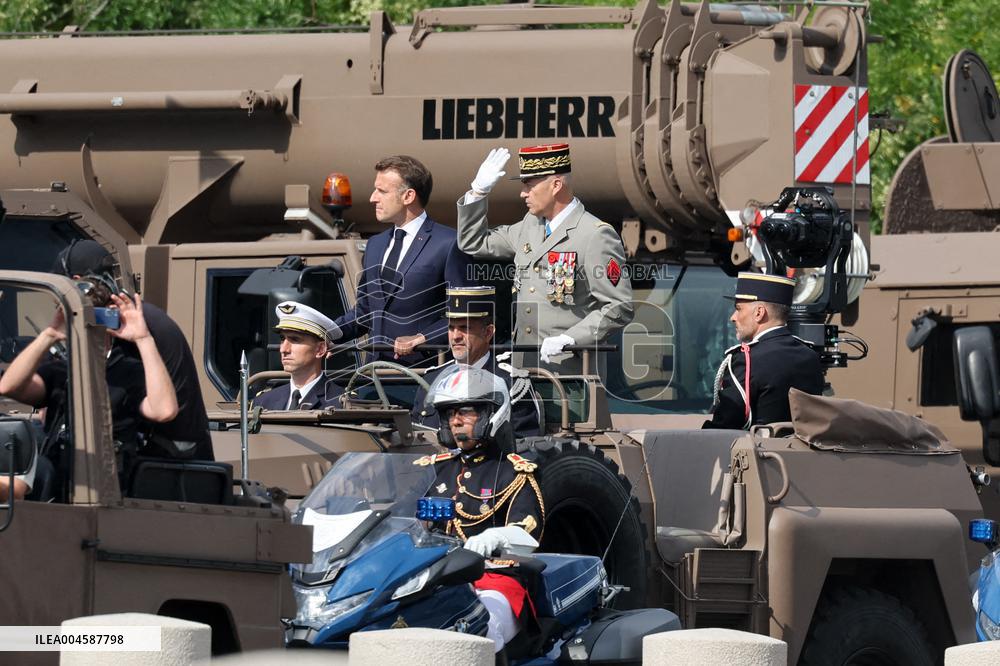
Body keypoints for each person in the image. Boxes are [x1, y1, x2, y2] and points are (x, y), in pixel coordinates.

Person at [455, 144, 633, 373]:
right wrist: (477, 193)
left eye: (529, 185)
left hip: (569, 370)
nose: (523, 193)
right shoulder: (530, 225)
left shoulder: (594, 234)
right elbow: (474, 243)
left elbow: (619, 305)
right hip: (524, 368)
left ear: (556, 185)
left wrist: (572, 338)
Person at [415, 367, 544, 652]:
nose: (456, 420)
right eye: (451, 413)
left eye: (466, 412)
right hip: (432, 579)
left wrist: (494, 539)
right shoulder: (435, 469)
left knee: (479, 630)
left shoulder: (514, 472)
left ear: (491, 414)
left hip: (494, 580)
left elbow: (528, 540)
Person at [52, 240, 213, 461]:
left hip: (166, 470)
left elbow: (155, 409)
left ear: (78, 284)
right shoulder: (140, 317)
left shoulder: (126, 325)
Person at [0, 292, 179, 491]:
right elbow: (8, 386)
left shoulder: (128, 373)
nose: (88, 328)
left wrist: (143, 338)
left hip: (107, 489)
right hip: (59, 488)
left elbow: (164, 410)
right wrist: (49, 334)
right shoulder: (60, 371)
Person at [332, 155, 470, 365]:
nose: (372, 198)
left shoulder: (449, 243)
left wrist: (422, 339)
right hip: (374, 377)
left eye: (382, 191)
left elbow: (466, 312)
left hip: (425, 374)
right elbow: (365, 312)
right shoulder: (375, 245)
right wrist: (324, 333)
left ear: (408, 196)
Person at [411, 286, 541, 438]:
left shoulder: (511, 384)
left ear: (488, 333)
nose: (455, 337)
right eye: (451, 328)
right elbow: (417, 439)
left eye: (464, 328)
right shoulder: (432, 379)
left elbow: (525, 444)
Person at [703, 272, 825, 430]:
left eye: (739, 309)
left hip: (760, 452)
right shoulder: (810, 356)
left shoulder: (746, 360)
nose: (733, 317)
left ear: (759, 313)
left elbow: (724, 426)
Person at [253, 301, 342, 409]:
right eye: (282, 339)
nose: (283, 349)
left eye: (295, 339)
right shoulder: (264, 402)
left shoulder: (340, 404)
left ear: (320, 349)